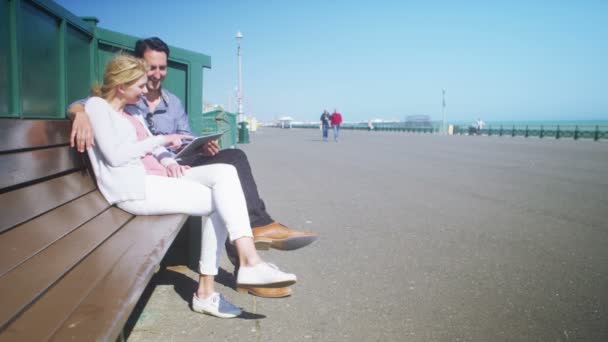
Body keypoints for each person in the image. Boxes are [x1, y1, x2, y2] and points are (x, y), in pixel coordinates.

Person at [67, 37, 317, 298]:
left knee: (229, 167)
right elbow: (106, 135)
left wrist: (176, 155)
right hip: (136, 185)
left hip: (166, 168)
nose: (152, 79)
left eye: (161, 68)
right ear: (126, 81)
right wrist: (80, 114)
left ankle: (248, 261)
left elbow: (169, 140)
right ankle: (236, 272)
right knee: (222, 197)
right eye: (147, 73)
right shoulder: (104, 106)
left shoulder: (152, 107)